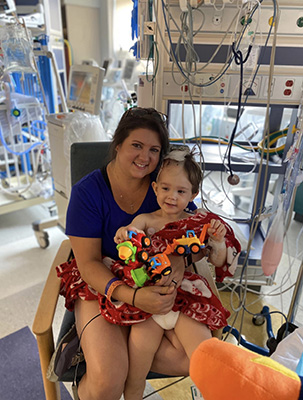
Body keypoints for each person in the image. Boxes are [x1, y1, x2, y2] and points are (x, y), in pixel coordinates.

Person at [57, 107, 199, 400]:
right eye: (137, 145)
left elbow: (191, 237)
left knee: (193, 360)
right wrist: (133, 297)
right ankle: (94, 383)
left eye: (154, 150)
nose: (144, 157)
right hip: (102, 285)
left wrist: (178, 267)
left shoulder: (165, 189)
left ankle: (119, 362)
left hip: (152, 284)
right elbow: (88, 263)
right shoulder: (89, 193)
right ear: (118, 144)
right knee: (108, 382)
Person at [104, 146, 241, 399]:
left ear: (193, 194)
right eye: (165, 188)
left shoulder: (198, 222)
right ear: (155, 188)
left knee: (204, 358)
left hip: (186, 298)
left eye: (181, 191)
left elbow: (219, 260)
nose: (171, 196)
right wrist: (125, 234)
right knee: (135, 374)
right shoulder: (146, 219)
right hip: (149, 301)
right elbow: (131, 231)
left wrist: (218, 242)